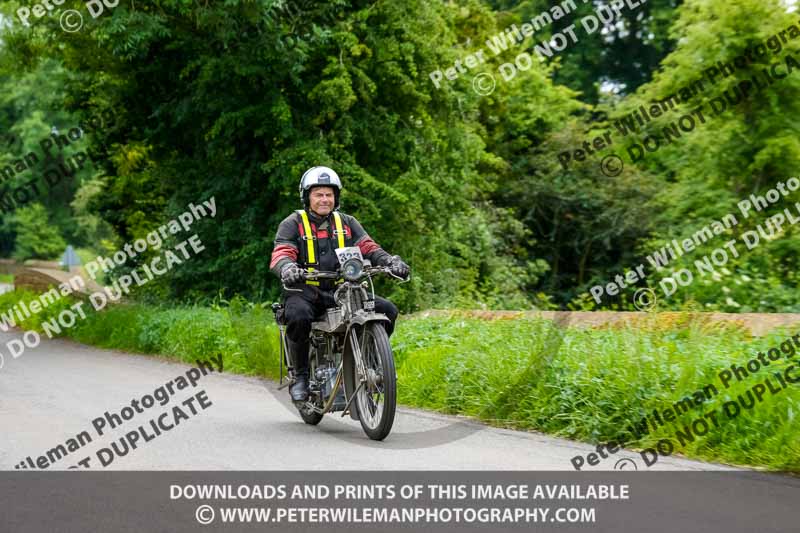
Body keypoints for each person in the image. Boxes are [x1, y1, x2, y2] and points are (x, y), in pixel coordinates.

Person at [270, 166, 410, 401]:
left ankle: (371, 362)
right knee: (298, 315)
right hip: (305, 291)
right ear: (307, 197)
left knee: (388, 310)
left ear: (336, 197)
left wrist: (390, 261)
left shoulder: (347, 222)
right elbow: (281, 252)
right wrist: (287, 267)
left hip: (343, 291)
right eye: (318, 194)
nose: (325, 199)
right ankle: (301, 377)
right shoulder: (293, 223)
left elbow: (369, 247)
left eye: (329, 194)